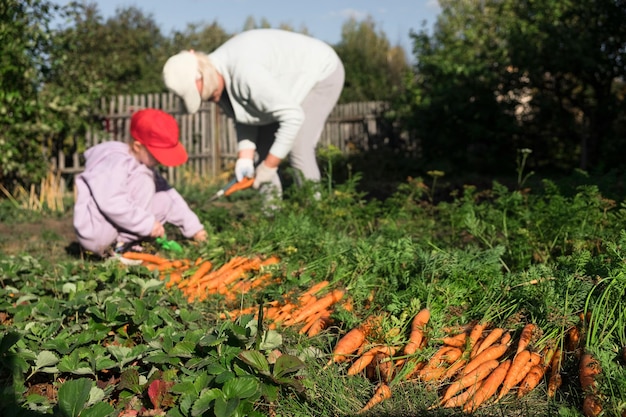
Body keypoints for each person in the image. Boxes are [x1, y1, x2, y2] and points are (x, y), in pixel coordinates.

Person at [162, 28, 345, 200]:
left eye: (202, 95)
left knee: (299, 146)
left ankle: (317, 213)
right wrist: (245, 157)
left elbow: (293, 116)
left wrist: (270, 165)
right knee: (262, 151)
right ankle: (272, 217)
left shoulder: (246, 74)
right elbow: (245, 115)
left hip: (320, 72)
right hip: (284, 86)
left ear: (202, 75)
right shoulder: (219, 77)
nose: (206, 100)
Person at [73, 108, 207, 257]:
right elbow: (111, 202)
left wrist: (194, 228)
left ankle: (129, 244)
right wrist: (147, 224)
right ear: (138, 146)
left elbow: (171, 196)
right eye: (156, 155)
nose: (160, 161)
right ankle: (121, 247)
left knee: (165, 198)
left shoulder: (142, 164)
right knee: (144, 179)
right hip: (98, 234)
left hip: (115, 227)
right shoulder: (115, 162)